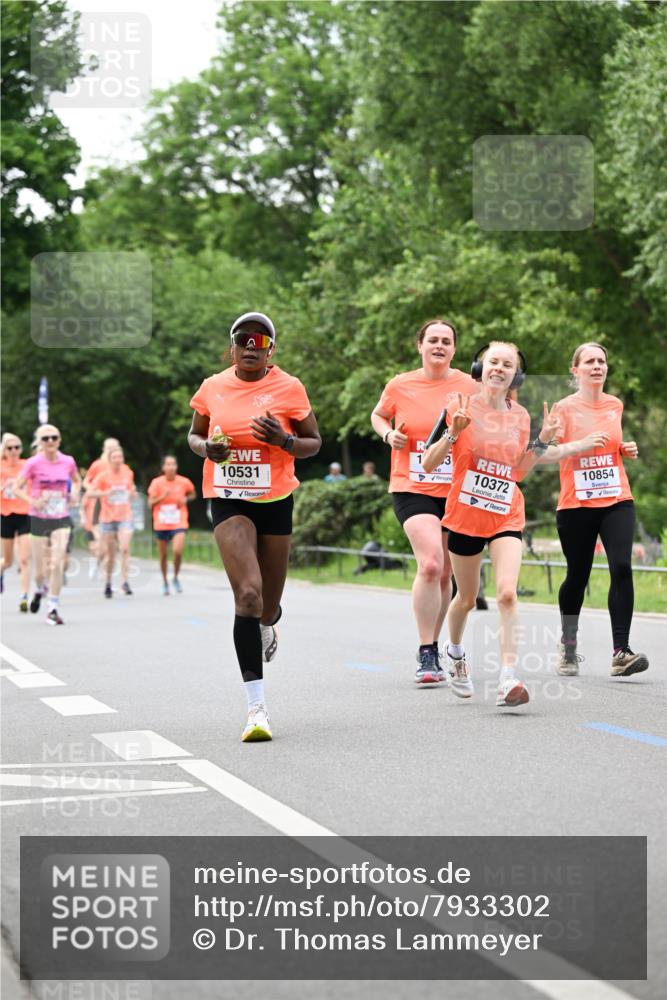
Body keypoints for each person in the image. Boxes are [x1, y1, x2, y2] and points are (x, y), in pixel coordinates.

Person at [422, 342, 609, 707]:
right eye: (494, 362)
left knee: (507, 593)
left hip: (506, 512)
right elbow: (429, 464)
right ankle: (456, 652)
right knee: (465, 598)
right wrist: (452, 432)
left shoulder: (521, 415)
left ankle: (509, 677)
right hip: (465, 513)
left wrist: (542, 440)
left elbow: (519, 471)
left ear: (515, 374)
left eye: (507, 365)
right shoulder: (458, 406)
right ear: (481, 367)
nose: (500, 369)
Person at [188, 311, 321, 742]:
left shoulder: (289, 387)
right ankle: (256, 708)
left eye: (260, 342)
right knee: (247, 593)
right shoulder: (212, 387)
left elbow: (313, 443)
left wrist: (283, 441)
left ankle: (270, 620)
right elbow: (194, 435)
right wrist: (207, 448)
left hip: (276, 500)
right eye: (244, 339)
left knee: (266, 604)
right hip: (228, 498)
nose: (251, 346)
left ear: (271, 351)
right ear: (231, 347)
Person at [371, 318, 477, 685]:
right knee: (431, 564)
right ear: (420, 345)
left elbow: (491, 418)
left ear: (454, 349)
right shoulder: (401, 384)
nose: (439, 345)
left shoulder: (467, 385)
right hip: (411, 485)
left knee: (447, 573)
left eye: (446, 341)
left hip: (455, 489)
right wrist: (388, 436)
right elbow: (378, 415)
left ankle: (438, 646)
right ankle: (425, 650)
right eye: (433, 339)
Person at [552, 342, 649, 678]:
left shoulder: (615, 405)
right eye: (589, 361)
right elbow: (544, 453)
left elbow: (609, 444)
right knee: (577, 576)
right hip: (576, 503)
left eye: (601, 361)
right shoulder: (562, 409)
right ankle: (568, 645)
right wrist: (578, 445)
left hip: (616, 497)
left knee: (622, 566)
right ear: (575, 370)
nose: (597, 366)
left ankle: (621, 651)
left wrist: (624, 448)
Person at [13, 424, 80, 625]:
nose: (50, 441)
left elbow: (77, 480)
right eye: (45, 438)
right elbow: (17, 488)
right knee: (41, 569)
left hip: (61, 516)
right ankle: (40, 588)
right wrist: (33, 501)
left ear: (59, 440)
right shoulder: (33, 463)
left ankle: (52, 607)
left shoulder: (68, 461)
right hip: (39, 518)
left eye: (54, 437)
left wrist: (75, 493)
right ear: (40, 443)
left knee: (58, 562)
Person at [87, 446, 137, 598]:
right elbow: (90, 493)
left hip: (125, 517)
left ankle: (125, 582)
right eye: (114, 457)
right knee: (110, 553)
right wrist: (105, 493)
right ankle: (108, 582)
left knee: (125, 548)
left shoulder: (128, 473)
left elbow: (131, 490)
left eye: (120, 457)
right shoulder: (103, 476)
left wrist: (132, 494)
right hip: (108, 519)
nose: (118, 460)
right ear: (109, 460)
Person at [147, 455, 196, 594]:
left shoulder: (184, 481)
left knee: (177, 551)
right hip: (161, 524)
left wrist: (186, 498)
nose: (171, 467)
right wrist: (163, 496)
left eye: (173, 464)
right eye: (168, 464)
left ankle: (175, 577)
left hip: (179, 522)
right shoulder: (156, 483)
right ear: (163, 467)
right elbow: (150, 503)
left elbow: (193, 494)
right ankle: (165, 581)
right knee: (163, 556)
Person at [81, 438, 122, 577]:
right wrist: (93, 489)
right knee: (101, 542)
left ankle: (106, 574)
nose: (111, 450)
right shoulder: (98, 465)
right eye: (109, 448)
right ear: (104, 449)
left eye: (114, 447)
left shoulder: (121, 465)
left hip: (116, 508)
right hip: (98, 506)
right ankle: (98, 561)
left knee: (112, 544)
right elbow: (86, 481)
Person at [0, 433, 32, 611]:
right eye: (10, 448)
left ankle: (24, 596)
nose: (13, 451)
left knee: (25, 558)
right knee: (8, 560)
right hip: (5, 515)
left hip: (24, 513)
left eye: (17, 448)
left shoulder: (26, 465)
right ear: (4, 450)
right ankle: (2, 571)